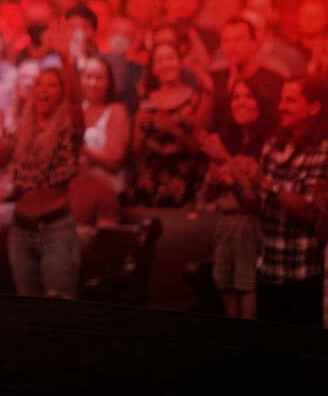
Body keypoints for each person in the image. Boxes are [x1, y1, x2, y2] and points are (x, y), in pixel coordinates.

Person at [0, 21, 85, 299]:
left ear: (61, 93)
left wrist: (65, 58)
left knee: (58, 306)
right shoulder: (21, 130)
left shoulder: (68, 129)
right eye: (40, 84)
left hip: (56, 228)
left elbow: (76, 103)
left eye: (52, 85)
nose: (44, 89)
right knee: (26, 305)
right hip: (20, 228)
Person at [255, 76, 328, 326]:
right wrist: (236, 177)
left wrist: (268, 185)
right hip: (267, 267)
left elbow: (310, 212)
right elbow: (255, 205)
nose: (281, 106)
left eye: (290, 100)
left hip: (302, 271)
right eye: (281, 99)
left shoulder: (323, 150)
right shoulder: (273, 145)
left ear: (314, 107)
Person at [199, 79, 272, 320]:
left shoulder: (268, 144)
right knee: (226, 292)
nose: (241, 102)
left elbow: (255, 200)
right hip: (225, 225)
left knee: (247, 289)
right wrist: (213, 179)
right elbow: (205, 197)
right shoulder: (227, 140)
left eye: (248, 96)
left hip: (250, 226)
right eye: (236, 97)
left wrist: (225, 159)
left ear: (260, 103)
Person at [130, 42, 212, 207]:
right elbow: (136, 150)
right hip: (150, 183)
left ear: (179, 63)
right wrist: (140, 130)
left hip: (184, 183)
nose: (165, 64)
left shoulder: (196, 99)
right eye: (159, 60)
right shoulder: (146, 102)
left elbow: (199, 149)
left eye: (170, 58)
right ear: (153, 69)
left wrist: (172, 128)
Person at [68, 56, 130, 227]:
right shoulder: (76, 111)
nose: (93, 83)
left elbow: (115, 159)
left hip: (107, 192)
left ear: (108, 82)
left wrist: (82, 147)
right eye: (88, 77)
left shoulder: (116, 110)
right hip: (76, 191)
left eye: (99, 78)